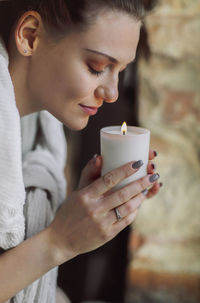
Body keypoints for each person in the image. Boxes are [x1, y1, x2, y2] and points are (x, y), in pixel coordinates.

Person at [0, 0, 161, 302]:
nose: (112, 93)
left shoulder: (39, 132)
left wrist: (79, 215)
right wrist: (58, 242)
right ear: (30, 36)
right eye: (97, 67)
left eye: (121, 71)